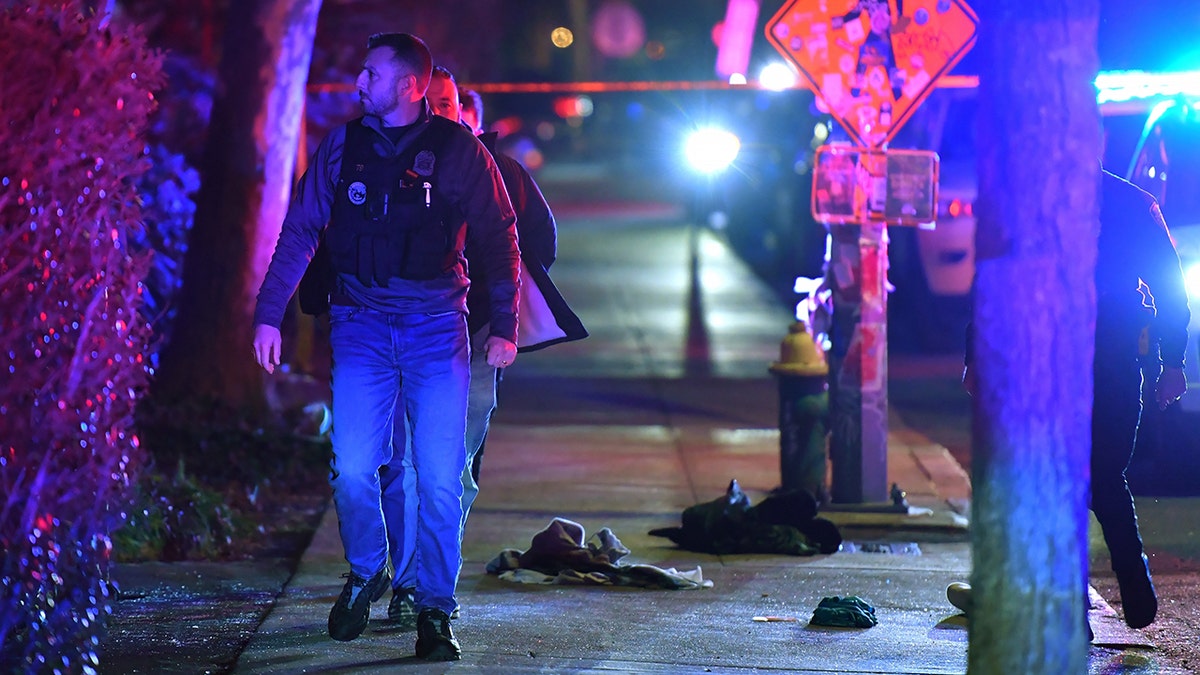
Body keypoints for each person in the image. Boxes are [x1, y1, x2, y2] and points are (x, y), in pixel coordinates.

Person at [252, 33, 520, 661]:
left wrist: (504, 324)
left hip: (435, 329)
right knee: (352, 470)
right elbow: (300, 229)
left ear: (407, 85)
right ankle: (368, 568)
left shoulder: (458, 151)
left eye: (370, 74)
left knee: (440, 479)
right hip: (361, 326)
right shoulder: (343, 146)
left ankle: (433, 609)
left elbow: (498, 234)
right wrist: (270, 315)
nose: (358, 83)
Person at [382, 66, 586, 628]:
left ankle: (429, 577)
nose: (441, 111)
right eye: (432, 102)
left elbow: (540, 242)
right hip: (397, 337)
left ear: (467, 112)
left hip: (469, 342)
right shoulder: (385, 166)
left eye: (449, 103)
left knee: (451, 466)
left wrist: (501, 297)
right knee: (403, 465)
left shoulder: (504, 175)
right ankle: (411, 581)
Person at [956, 168, 1190, 633]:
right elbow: (1170, 289)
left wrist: (978, 355)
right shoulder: (1135, 203)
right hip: (1114, 367)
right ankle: (1132, 577)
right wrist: (1173, 362)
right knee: (1104, 476)